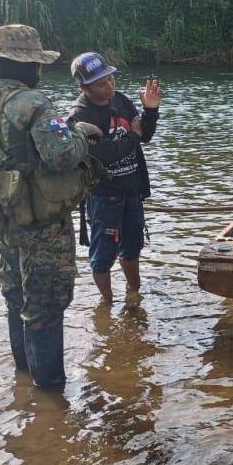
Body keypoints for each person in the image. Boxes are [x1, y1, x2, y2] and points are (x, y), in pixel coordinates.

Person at [0, 24, 100, 389]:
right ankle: (52, 393)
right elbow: (60, 155)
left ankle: (25, 380)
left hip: (6, 214)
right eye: (37, 64)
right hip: (42, 221)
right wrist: (82, 133)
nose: (40, 70)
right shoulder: (33, 103)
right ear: (26, 65)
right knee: (45, 304)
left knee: (16, 294)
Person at [67, 52, 161, 309]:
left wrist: (151, 111)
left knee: (132, 246)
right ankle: (106, 305)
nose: (109, 87)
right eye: (101, 84)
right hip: (103, 195)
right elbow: (105, 155)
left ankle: (134, 295)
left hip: (131, 190)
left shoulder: (120, 101)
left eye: (111, 80)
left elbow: (145, 136)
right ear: (84, 87)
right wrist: (132, 134)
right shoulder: (80, 115)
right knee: (102, 255)